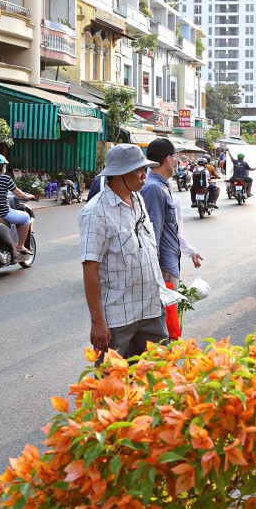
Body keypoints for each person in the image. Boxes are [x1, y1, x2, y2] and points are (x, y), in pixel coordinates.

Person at [79, 144, 182, 361]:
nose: (145, 174)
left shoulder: (138, 199)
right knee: (112, 383)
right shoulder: (95, 212)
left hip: (151, 308)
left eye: (144, 169)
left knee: (156, 376)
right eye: (138, 170)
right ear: (119, 175)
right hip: (118, 317)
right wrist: (98, 322)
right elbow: (90, 269)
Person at [141, 138, 204, 285]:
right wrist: (154, 272)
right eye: (175, 157)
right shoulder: (154, 188)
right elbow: (153, 233)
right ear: (168, 159)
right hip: (163, 270)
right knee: (168, 309)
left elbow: (172, 230)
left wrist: (190, 251)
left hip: (169, 265)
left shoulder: (162, 186)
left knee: (171, 308)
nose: (176, 162)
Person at [0, 153, 35, 255]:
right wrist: (28, 196)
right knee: (26, 218)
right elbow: (19, 194)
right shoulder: (5, 179)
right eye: (3, 165)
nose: (4, 167)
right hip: (2, 213)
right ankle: (20, 246)